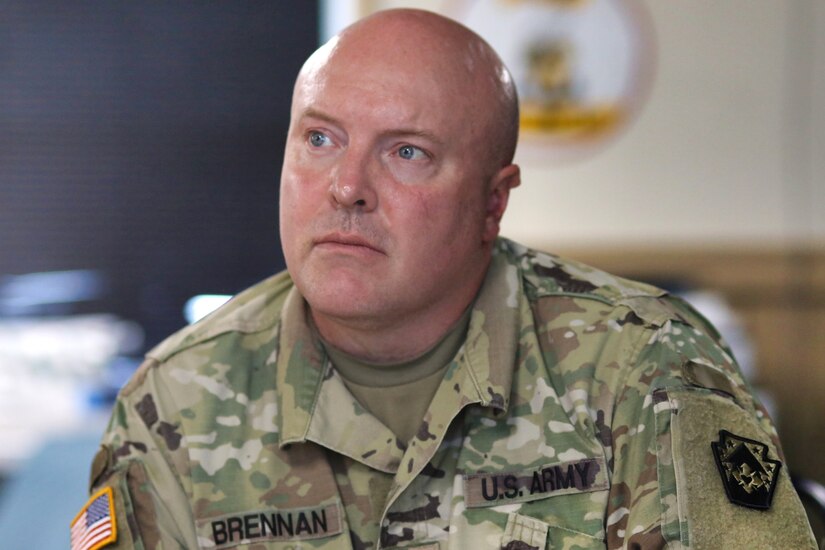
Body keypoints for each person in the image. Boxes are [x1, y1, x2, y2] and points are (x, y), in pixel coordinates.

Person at [74, 8, 816, 550]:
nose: (346, 187)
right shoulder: (175, 402)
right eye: (320, 138)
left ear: (492, 202)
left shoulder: (643, 367)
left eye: (407, 152)